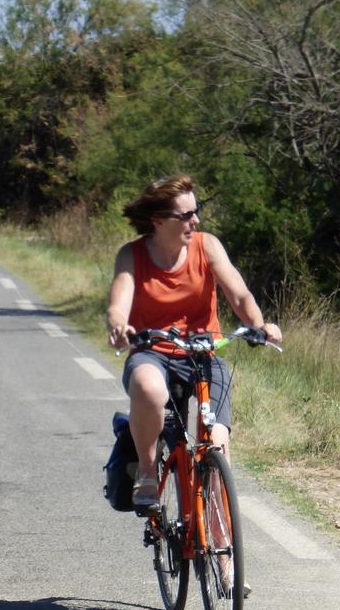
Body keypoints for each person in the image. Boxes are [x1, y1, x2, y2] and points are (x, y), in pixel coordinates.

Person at [106, 174, 282, 511]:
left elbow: (239, 294)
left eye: (195, 212)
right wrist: (118, 325)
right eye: (186, 215)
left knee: (217, 441)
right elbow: (119, 303)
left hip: (204, 353)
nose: (195, 220)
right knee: (148, 386)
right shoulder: (132, 255)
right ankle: (146, 471)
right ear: (159, 220)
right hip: (153, 353)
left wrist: (259, 326)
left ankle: (220, 538)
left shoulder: (207, 246)